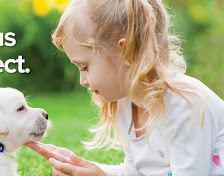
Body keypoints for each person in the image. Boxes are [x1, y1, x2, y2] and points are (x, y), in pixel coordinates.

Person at [25, 0, 224, 175]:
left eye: (85, 67)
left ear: (126, 52)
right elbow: (136, 172)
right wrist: (87, 170)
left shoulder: (184, 106)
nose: (82, 80)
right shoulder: (126, 104)